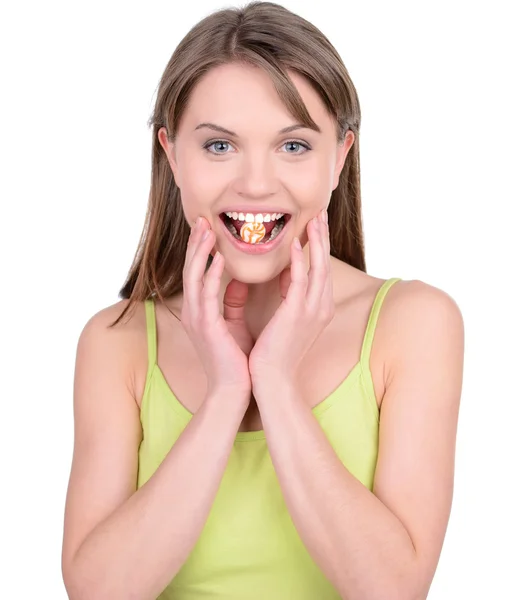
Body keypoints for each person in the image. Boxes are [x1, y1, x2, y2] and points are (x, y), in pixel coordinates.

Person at [61, 2, 464, 598]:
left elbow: (392, 590)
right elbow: (98, 592)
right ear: (171, 155)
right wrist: (226, 393)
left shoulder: (416, 325)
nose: (255, 182)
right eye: (219, 147)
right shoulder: (116, 342)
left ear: (340, 158)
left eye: (294, 146)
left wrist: (274, 381)